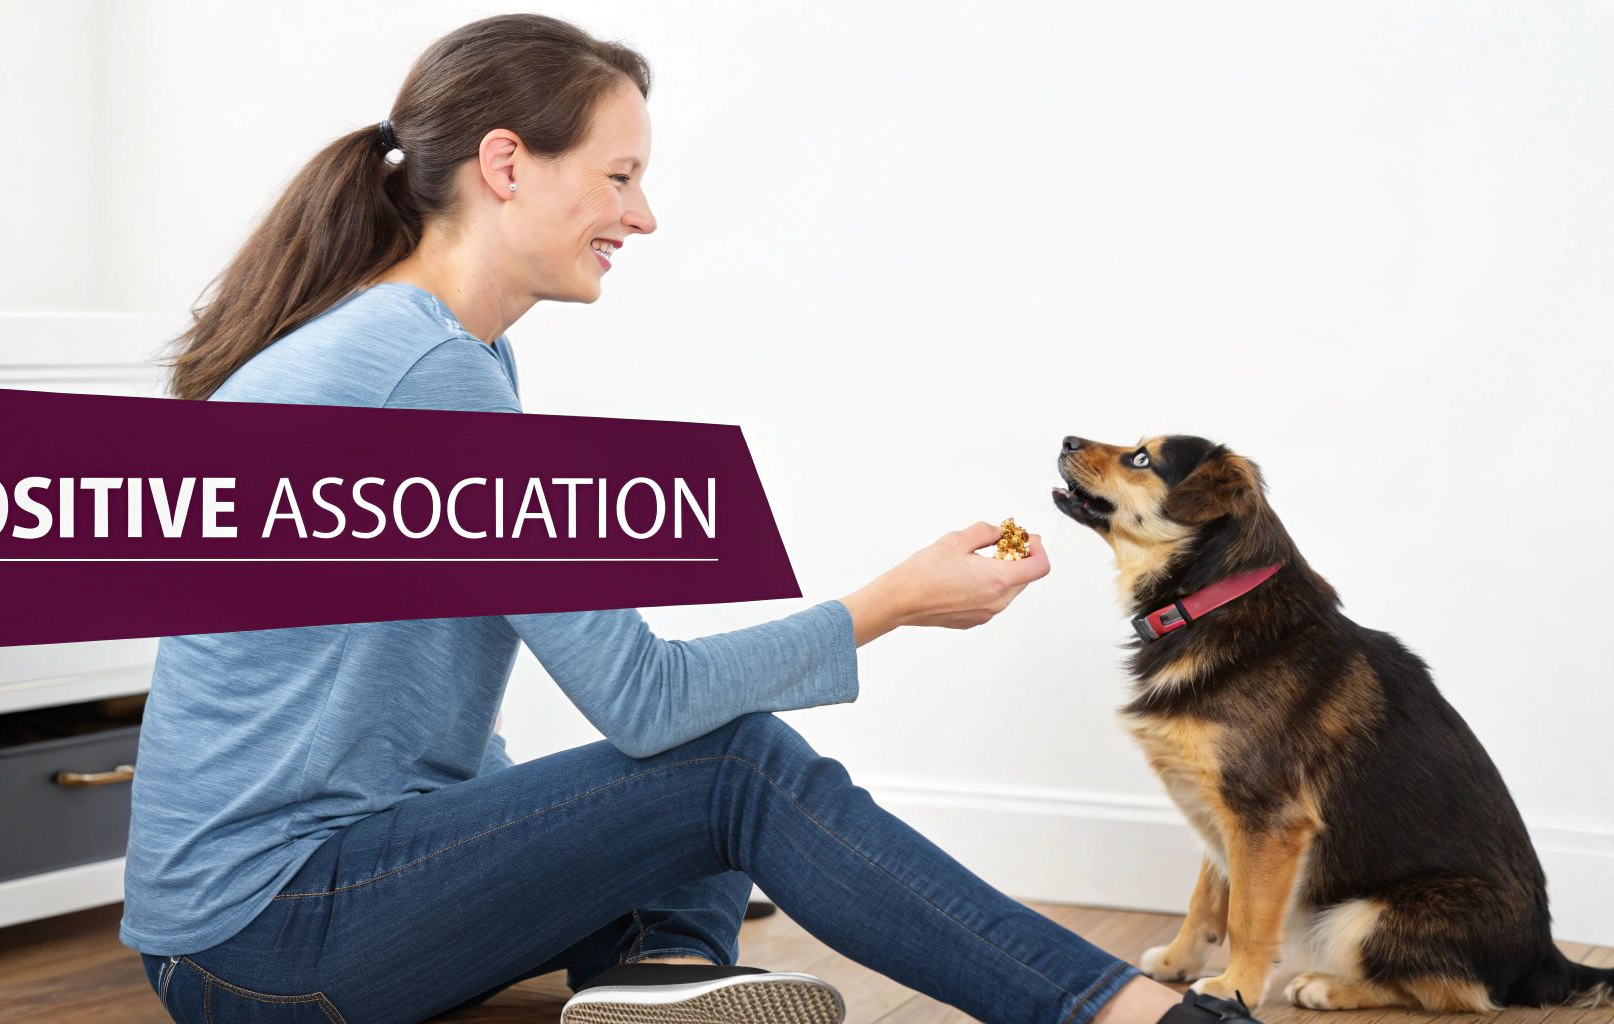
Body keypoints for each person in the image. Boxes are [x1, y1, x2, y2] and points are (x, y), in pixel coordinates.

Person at [123, 14, 1262, 1024]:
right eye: (619, 177)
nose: (644, 214)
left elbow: (437, 700)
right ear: (505, 166)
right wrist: (890, 605)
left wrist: (555, 825)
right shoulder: (423, 368)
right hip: (262, 944)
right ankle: (1121, 1010)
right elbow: (644, 694)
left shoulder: (440, 349)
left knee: (685, 776)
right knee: (729, 762)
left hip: (308, 900)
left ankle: (662, 979)